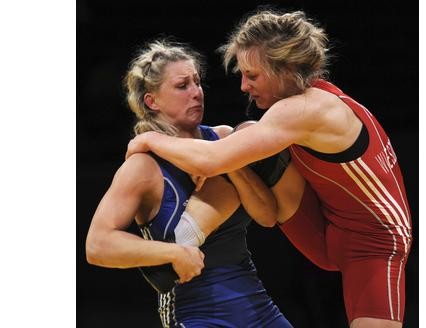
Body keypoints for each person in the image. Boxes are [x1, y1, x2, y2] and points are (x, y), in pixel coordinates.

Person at [125, 10, 413, 328]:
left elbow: (210, 160)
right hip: (324, 223)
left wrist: (148, 139)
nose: (244, 86)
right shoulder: (309, 96)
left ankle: (180, 241)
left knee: (234, 149)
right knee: (247, 136)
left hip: (374, 242)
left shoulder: (304, 110)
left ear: (286, 69)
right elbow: (264, 211)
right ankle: (184, 240)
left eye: (253, 75)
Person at [86, 39, 293, 328]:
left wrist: (223, 162)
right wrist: (173, 253)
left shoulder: (222, 139)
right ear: (152, 101)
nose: (196, 93)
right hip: (196, 312)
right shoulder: (143, 167)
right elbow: (97, 245)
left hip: (257, 305)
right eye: (183, 86)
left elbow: (267, 216)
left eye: (197, 82)